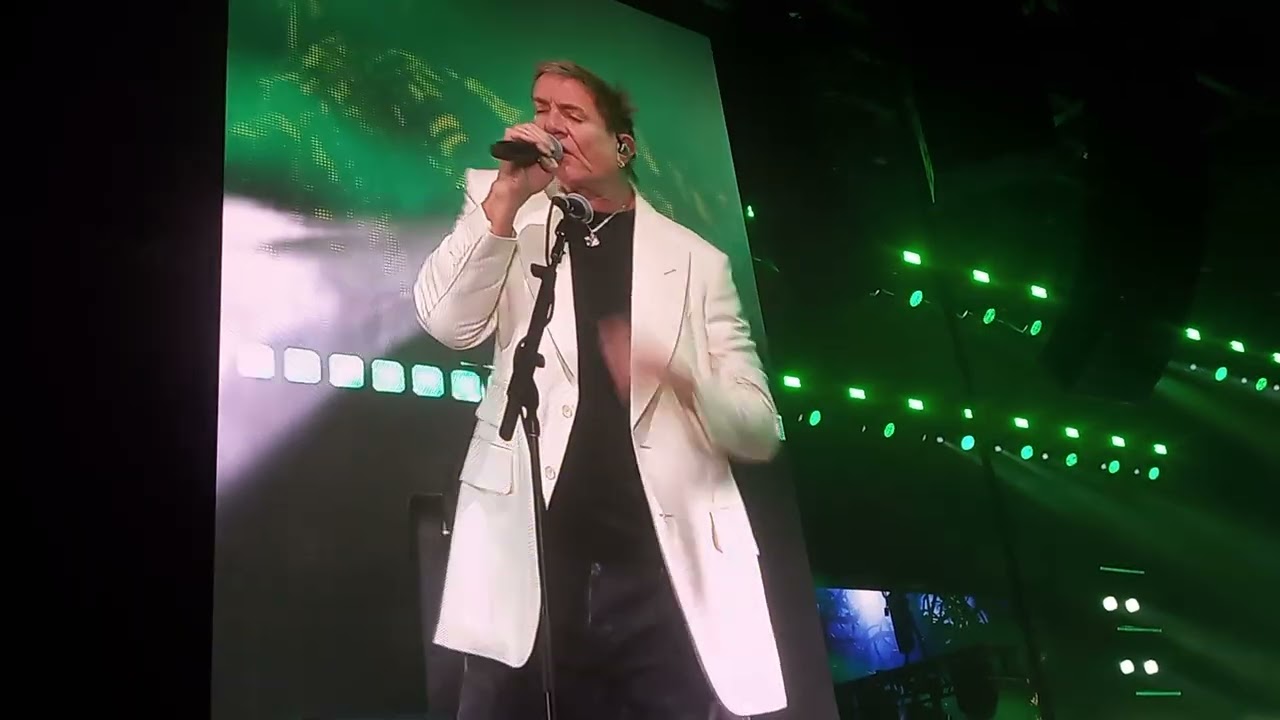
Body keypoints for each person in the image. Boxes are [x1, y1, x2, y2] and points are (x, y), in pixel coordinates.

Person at [413, 60, 785, 720]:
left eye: (573, 114)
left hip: (655, 567)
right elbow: (448, 323)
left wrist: (684, 378)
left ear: (623, 146)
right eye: (541, 108)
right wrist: (505, 201)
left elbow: (760, 429)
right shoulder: (507, 207)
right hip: (528, 548)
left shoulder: (698, 262)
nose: (551, 125)